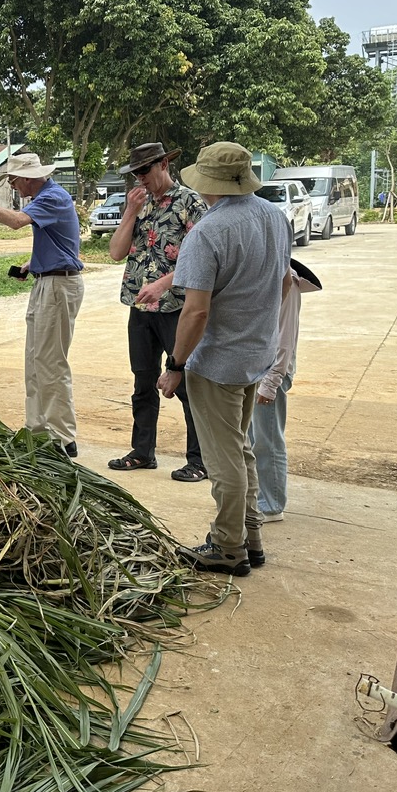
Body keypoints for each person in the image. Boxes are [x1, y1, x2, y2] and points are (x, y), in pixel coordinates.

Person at [157, 141, 291, 577]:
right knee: (242, 447)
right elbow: (286, 281)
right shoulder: (275, 216)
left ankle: (227, 546)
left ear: (206, 184)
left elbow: (196, 311)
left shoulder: (207, 232)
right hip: (257, 352)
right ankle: (250, 536)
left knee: (223, 459)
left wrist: (175, 365)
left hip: (218, 362)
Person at [0, 154, 83, 457]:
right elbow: (63, 244)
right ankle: (38, 431)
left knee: (51, 362)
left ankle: (62, 437)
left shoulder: (52, 197)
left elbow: (14, 222)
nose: (12, 185)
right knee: (36, 361)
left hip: (59, 286)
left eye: (13, 179)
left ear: (29, 176)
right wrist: (32, 264)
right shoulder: (46, 197)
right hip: (46, 281)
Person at [106, 142, 208, 481]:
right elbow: (116, 253)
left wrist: (165, 282)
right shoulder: (136, 203)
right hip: (140, 305)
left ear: (164, 164)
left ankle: (199, 459)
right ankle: (142, 451)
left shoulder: (190, 203)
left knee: (185, 384)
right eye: (136, 173)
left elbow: (203, 259)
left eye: (145, 170)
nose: (140, 178)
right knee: (142, 381)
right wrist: (130, 214)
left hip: (176, 307)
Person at [251, 259, 322, 521]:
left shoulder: (285, 278)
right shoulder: (258, 269)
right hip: (251, 368)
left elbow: (285, 335)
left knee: (266, 439)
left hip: (271, 371)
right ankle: (255, 498)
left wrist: (272, 381)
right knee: (250, 438)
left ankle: (271, 505)